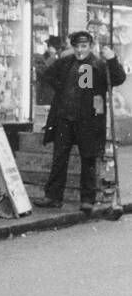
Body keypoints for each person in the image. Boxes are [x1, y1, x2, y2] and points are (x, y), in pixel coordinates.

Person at [36, 29, 127, 214]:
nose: (79, 50)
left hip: (88, 121)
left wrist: (112, 59)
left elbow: (118, 78)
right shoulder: (65, 62)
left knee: (88, 158)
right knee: (59, 158)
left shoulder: (98, 64)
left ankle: (87, 199)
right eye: (76, 46)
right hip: (65, 119)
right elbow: (46, 74)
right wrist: (61, 89)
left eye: (84, 46)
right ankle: (53, 197)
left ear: (91, 46)